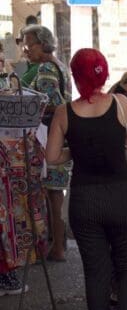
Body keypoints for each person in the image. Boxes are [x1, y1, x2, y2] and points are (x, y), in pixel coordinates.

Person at [45, 48, 127, 310]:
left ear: (74, 75)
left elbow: (52, 158)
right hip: (122, 197)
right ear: (104, 73)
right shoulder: (120, 105)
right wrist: (122, 136)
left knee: (95, 271)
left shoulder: (64, 112)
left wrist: (76, 152)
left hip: (85, 200)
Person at [21, 24, 71, 262]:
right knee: (53, 193)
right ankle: (57, 243)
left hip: (52, 137)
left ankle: (58, 247)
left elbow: (53, 102)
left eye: (29, 44)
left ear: (42, 44)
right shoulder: (58, 65)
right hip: (57, 137)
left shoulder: (46, 69)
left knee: (53, 194)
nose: (26, 49)